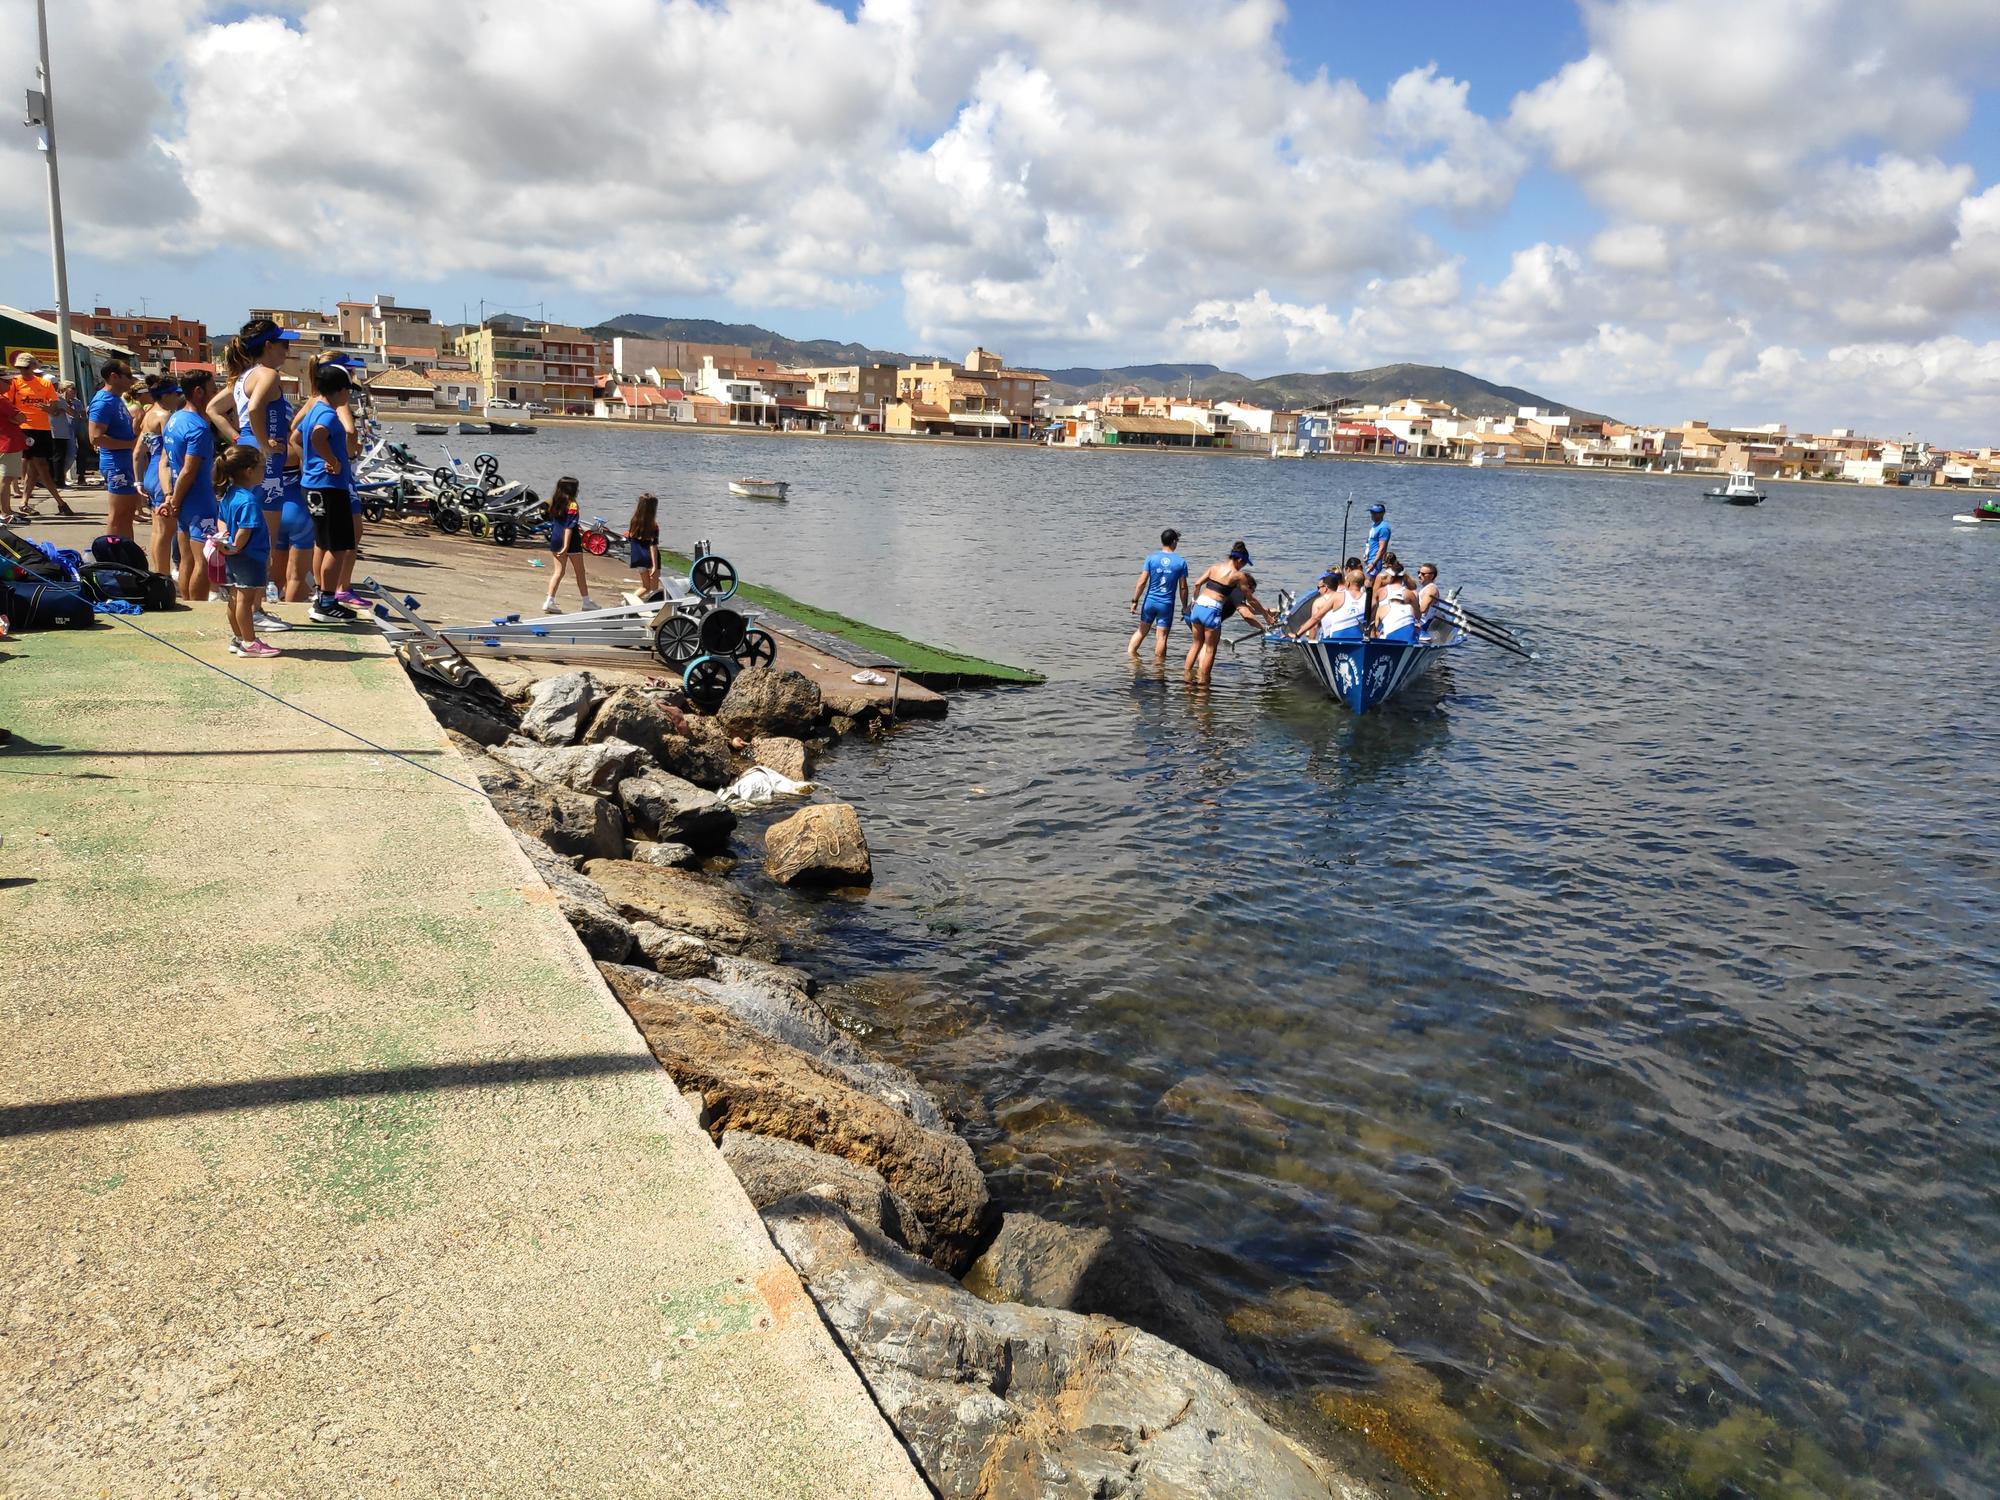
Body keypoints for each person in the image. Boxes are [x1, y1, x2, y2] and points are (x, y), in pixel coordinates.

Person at [218, 317, 302, 634]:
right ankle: (254, 611)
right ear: (268, 346)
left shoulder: (243, 376)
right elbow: (254, 409)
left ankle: (251, 609)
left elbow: (216, 409)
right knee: (261, 539)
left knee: (253, 534)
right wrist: (264, 443)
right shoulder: (267, 374)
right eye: (284, 344)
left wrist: (240, 439)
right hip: (265, 466)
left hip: (257, 460)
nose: (287, 350)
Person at [298, 362, 359, 623]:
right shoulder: (327, 414)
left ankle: (322, 597)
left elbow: (295, 437)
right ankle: (326, 602)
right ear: (340, 390)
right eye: (348, 391)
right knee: (339, 547)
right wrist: (332, 460)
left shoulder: (312, 409)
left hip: (311, 485)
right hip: (329, 487)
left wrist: (311, 463)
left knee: (322, 543)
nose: (349, 397)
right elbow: (318, 435)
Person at [213, 444, 280, 657]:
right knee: (245, 600)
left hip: (234, 556)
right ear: (249, 471)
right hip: (249, 557)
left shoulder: (230, 494)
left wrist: (225, 541)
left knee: (234, 598)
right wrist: (235, 547)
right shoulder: (249, 500)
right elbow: (245, 530)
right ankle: (250, 643)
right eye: (261, 467)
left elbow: (221, 519)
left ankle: (239, 637)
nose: (264, 471)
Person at [161, 370, 221, 601]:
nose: (215, 395)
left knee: (186, 558)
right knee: (203, 562)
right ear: (198, 392)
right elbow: (189, 469)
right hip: (198, 500)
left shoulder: (174, 419)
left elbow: (169, 463)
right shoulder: (198, 428)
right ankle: (199, 608)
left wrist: (172, 497)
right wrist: (174, 501)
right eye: (213, 390)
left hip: (184, 499)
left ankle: (188, 604)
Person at [1182, 540, 1263, 683]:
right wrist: (1266, 615)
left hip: (1198, 605)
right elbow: (1251, 600)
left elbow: (1197, 584)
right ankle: (1203, 686)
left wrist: (1194, 600)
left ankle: (1186, 679)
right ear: (1239, 560)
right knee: (1210, 650)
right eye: (1244, 563)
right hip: (1212, 609)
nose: (1243, 566)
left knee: (1196, 645)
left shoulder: (1214, 567)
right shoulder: (1239, 575)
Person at [10, 353, 75, 516]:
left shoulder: (45, 384)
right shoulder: (15, 383)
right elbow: (8, 406)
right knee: (41, 466)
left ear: (33, 367)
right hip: (24, 428)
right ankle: (61, 503)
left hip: (43, 429)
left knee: (35, 468)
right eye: (20, 368)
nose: (23, 370)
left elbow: (54, 409)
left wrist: (47, 409)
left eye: (26, 367)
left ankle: (24, 503)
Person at [87, 361, 141, 542]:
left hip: (125, 462)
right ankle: (112, 555)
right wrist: (131, 444)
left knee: (127, 515)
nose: (132, 381)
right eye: (128, 375)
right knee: (118, 516)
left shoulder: (116, 399)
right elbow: (95, 438)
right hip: (116, 464)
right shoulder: (103, 402)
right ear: (113, 376)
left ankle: (128, 552)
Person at [1127, 527, 1189, 661]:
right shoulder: (1180, 562)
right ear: (1173, 542)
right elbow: (1183, 587)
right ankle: (1159, 668)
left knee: (1141, 631)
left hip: (1150, 602)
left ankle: (1130, 659)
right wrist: (1184, 607)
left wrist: (1135, 601)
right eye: (1177, 541)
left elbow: (1142, 581)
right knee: (1161, 637)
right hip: (1166, 604)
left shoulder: (1151, 558)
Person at [137, 376, 178, 578]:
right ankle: (163, 576)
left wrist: (138, 480)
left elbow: (137, 453)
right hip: (163, 474)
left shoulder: (147, 415)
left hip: (150, 473)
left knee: (156, 530)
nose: (179, 399)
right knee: (166, 531)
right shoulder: (166, 416)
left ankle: (159, 572)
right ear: (166, 395)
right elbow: (170, 454)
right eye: (176, 394)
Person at [541, 475, 598, 612]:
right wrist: (566, 545)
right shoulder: (572, 504)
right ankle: (586, 601)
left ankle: (549, 600)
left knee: (558, 572)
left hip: (555, 537)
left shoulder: (554, 502)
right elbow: (569, 526)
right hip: (570, 541)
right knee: (580, 572)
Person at [1371, 560, 1420, 643]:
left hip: (1382, 626)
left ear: (1390, 577)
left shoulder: (1381, 591)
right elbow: (1418, 616)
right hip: (1403, 628)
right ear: (1404, 577)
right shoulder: (1409, 593)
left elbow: (1372, 610)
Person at [626, 491, 662, 599]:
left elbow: (631, 538)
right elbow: (653, 545)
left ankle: (629, 601)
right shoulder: (653, 525)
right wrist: (655, 566)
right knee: (654, 589)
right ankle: (653, 607)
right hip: (650, 559)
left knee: (645, 586)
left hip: (638, 558)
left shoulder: (634, 521)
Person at [0, 367, 24, 523]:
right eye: (7, 381)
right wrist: (15, 419)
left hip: (6, 442)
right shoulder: (2, 400)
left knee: (5, 478)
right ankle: (5, 512)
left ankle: (6, 510)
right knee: (6, 479)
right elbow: (21, 417)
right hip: (7, 443)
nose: (10, 384)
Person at [1413, 563, 1442, 638]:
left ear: (1431, 576)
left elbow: (1422, 609)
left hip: (1422, 624)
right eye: (1418, 573)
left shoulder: (1430, 589)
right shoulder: (1426, 588)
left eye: (1423, 574)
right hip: (1418, 620)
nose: (1419, 576)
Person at [1362, 502, 1390, 578]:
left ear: (1382, 513)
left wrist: (1374, 563)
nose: (1372, 515)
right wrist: (1366, 554)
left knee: (1369, 583)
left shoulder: (1383, 528)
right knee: (1367, 582)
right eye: (1372, 512)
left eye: (1375, 513)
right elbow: (1369, 541)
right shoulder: (1374, 526)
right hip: (1369, 558)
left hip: (1375, 561)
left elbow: (1382, 548)